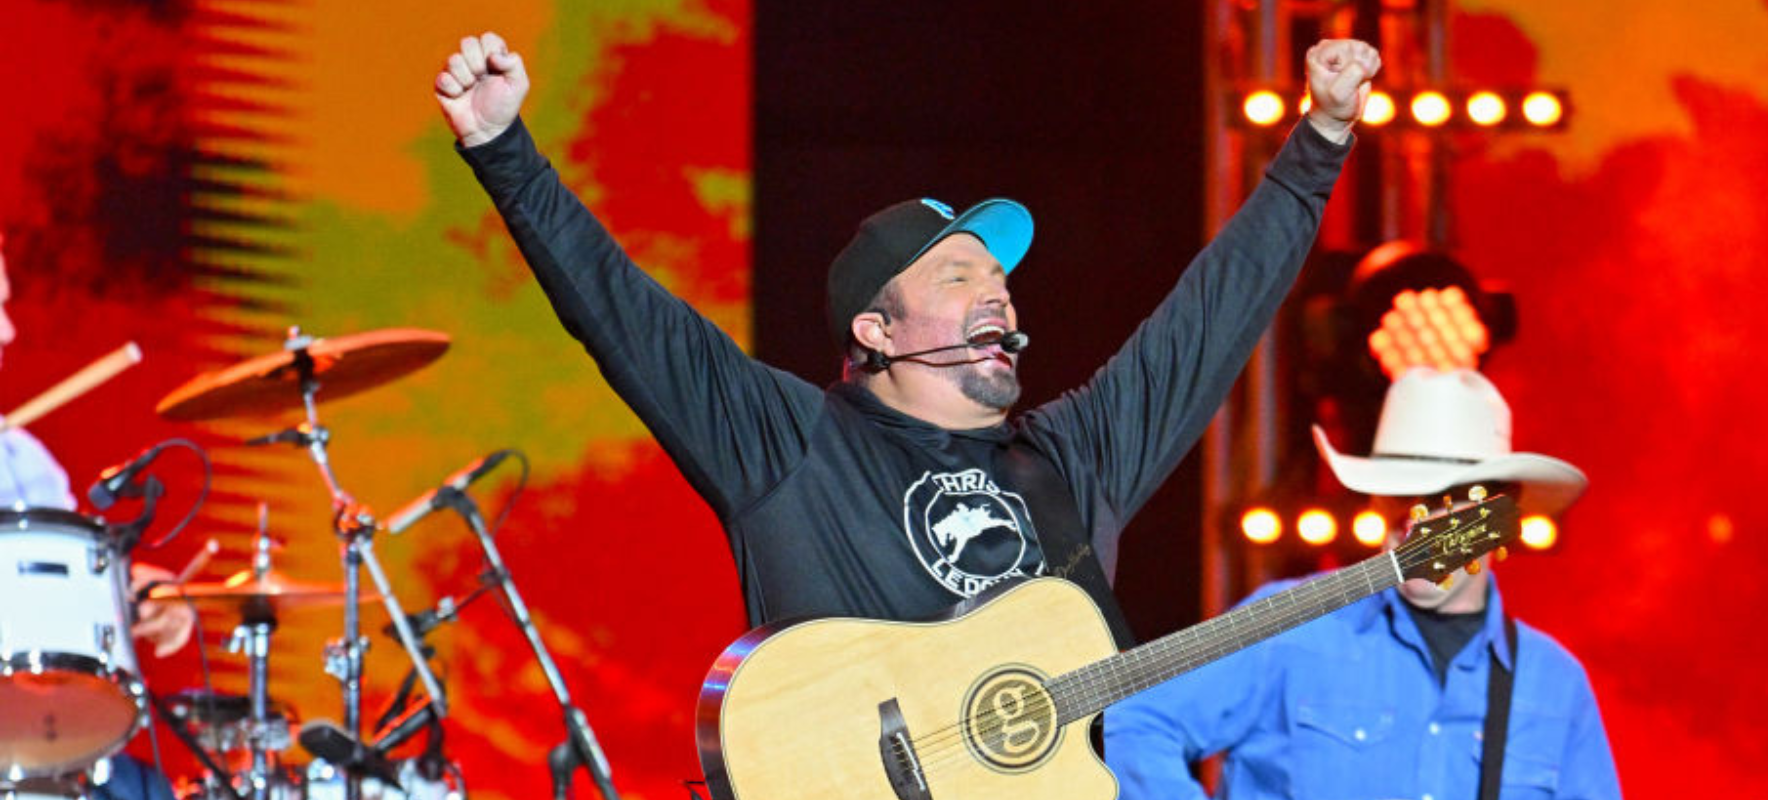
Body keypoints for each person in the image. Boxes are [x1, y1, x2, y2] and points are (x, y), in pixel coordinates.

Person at [432, 32, 1380, 628]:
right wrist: (504, 152)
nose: (997, 294)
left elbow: (1210, 319)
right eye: (959, 272)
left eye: (1000, 277)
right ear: (876, 330)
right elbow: (625, 315)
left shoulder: (1073, 456)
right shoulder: (792, 444)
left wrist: (1320, 145)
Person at [1105, 367, 1621, 800]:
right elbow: (1132, 723)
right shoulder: (1292, 622)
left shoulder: (1554, 685)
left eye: (1443, 502)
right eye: (1397, 497)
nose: (1415, 523)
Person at [0, 236, 188, 798]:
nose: (8, 332)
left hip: (24, 732)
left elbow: (55, 588)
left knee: (144, 791)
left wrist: (132, 594)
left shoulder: (22, 460)